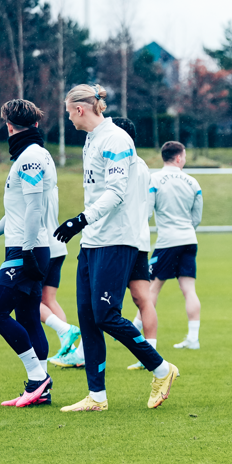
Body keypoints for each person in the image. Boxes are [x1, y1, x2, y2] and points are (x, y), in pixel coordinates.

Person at [52, 84, 178, 412]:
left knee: (107, 314)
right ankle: (97, 396)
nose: (67, 116)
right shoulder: (92, 140)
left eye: (68, 110)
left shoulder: (117, 139)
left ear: (81, 108)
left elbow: (116, 192)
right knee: (89, 317)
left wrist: (81, 219)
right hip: (93, 241)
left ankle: (162, 369)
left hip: (117, 240)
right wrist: (85, 226)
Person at [0, 99, 57, 407]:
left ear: (8, 126)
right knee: (30, 317)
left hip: (26, 248)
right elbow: (21, 211)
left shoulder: (29, 157)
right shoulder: (32, 154)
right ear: (35, 124)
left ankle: (38, 378)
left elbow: (34, 208)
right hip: (29, 246)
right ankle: (41, 390)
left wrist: (28, 249)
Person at [111, 117, 161, 370]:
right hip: (140, 239)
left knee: (102, 305)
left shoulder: (124, 163)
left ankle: (86, 353)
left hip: (121, 239)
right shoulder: (143, 165)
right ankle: (151, 354)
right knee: (143, 298)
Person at [146, 141, 204, 350]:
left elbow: (147, 211)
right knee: (189, 289)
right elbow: (196, 217)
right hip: (189, 239)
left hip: (167, 241)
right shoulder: (193, 182)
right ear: (178, 157)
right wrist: (187, 229)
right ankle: (193, 338)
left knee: (152, 287)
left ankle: (139, 332)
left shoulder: (154, 179)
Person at [40, 172, 81, 363]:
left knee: (25, 300)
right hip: (57, 245)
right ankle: (70, 350)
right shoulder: (52, 186)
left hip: (42, 246)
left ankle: (64, 330)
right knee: (49, 299)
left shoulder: (32, 184)